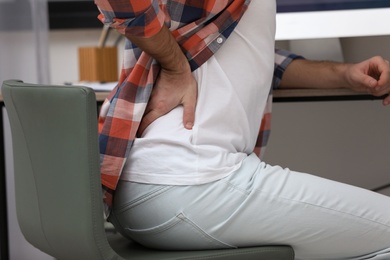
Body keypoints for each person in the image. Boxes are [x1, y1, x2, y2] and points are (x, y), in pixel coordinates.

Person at [95, 1, 390, 259]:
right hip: (189, 181)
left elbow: (253, 56)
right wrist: (174, 65)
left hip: (143, 189)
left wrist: (345, 74)